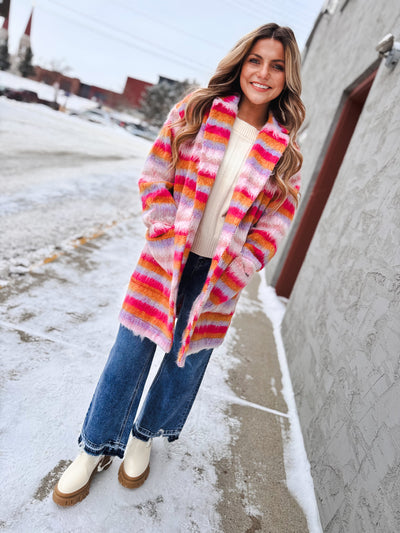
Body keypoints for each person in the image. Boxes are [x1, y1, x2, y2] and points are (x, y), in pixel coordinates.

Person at [53, 22, 305, 507]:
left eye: (277, 65)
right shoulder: (198, 110)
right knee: (129, 355)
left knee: (183, 362)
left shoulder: (285, 150)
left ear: (286, 77)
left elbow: (275, 222)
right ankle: (94, 448)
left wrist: (243, 267)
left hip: (219, 277)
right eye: (255, 60)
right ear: (241, 62)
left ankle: (144, 437)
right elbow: (155, 173)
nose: (263, 73)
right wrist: (165, 231)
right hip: (165, 259)